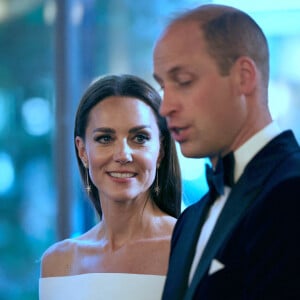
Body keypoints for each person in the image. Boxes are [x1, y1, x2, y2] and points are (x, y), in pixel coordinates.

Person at [153, 4, 300, 300]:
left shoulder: (292, 191)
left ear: (244, 77)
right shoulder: (189, 219)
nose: (165, 107)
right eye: (162, 87)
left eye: (183, 82)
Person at [39, 74, 181, 300]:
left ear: (161, 151)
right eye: (105, 138)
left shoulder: (192, 247)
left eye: (140, 138)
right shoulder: (57, 263)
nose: (123, 155)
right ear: (82, 151)